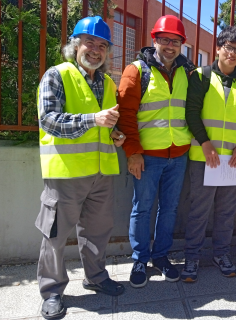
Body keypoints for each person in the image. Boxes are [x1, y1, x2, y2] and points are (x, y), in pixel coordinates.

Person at [36, 16, 126, 319]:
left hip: (101, 172)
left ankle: (96, 277)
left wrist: (116, 135)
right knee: (56, 235)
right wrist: (94, 120)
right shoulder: (56, 75)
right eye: (90, 42)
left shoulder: (108, 82)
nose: (96, 50)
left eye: (102, 45)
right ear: (75, 44)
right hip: (66, 172)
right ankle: (51, 292)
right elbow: (48, 119)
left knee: (98, 231)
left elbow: (106, 124)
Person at [117, 15, 196, 288]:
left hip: (179, 154)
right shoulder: (137, 70)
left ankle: (161, 256)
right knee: (142, 208)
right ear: (154, 40)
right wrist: (133, 152)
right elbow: (126, 116)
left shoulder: (189, 73)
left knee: (170, 209)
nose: (170, 46)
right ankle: (140, 258)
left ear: (182, 44)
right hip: (147, 156)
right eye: (164, 40)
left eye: (175, 41)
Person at [181, 26, 236, 282]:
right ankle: (192, 257)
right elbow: (191, 112)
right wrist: (205, 144)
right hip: (205, 158)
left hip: (233, 160)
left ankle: (221, 253)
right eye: (229, 47)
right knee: (199, 211)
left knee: (227, 211)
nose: (233, 54)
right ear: (218, 48)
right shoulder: (201, 76)